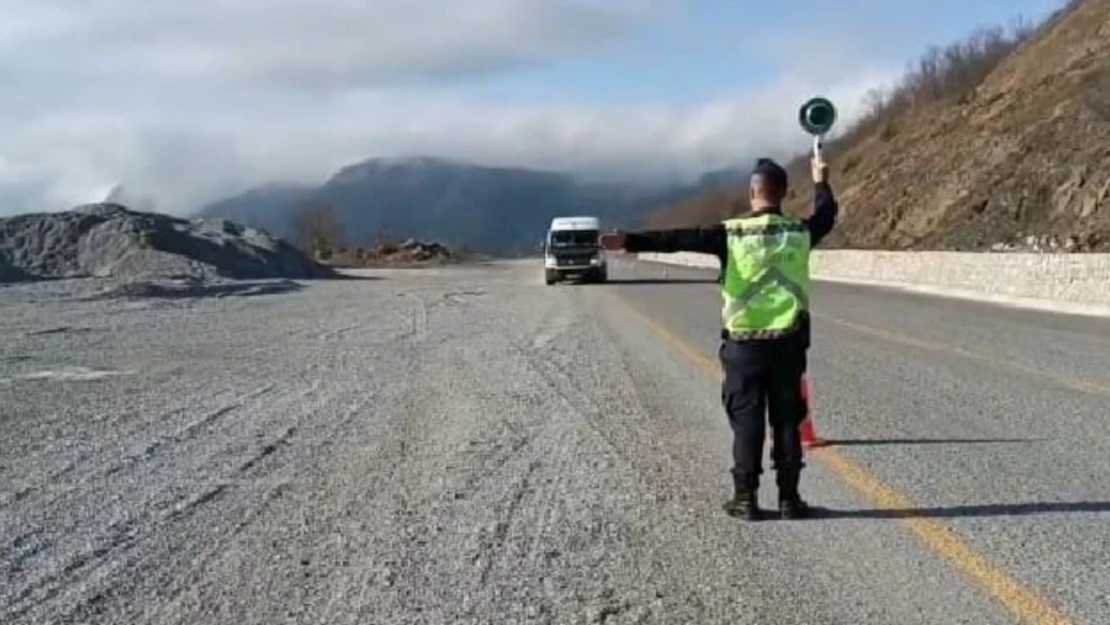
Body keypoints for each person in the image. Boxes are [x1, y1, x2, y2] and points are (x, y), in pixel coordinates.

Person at [599, 154, 838, 520]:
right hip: (789, 342)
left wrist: (630, 239)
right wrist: (821, 179)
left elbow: (679, 238)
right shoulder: (800, 232)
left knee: (747, 420)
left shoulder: (730, 233)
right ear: (785, 194)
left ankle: (746, 499)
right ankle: (790, 499)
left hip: (744, 344)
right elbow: (827, 213)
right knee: (787, 419)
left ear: (751, 192)